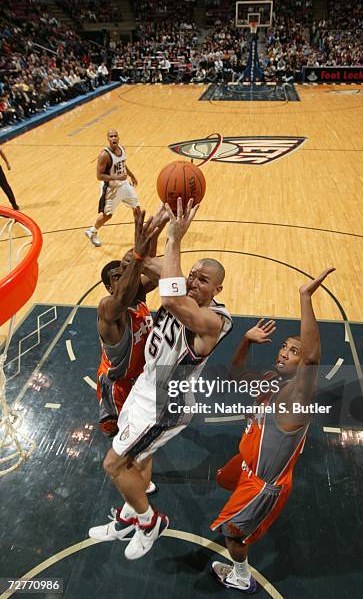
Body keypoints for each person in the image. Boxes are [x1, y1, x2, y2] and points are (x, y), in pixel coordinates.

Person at [89, 198, 233, 560]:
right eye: (193, 275)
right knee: (138, 458)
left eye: (204, 280)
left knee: (113, 463)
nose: (194, 281)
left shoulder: (215, 320)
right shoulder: (178, 285)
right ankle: (126, 517)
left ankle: (149, 521)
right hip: (145, 387)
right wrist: (150, 233)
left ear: (217, 291)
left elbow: (171, 301)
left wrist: (174, 238)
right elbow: (139, 263)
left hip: (165, 401)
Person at [210, 267, 335, 593]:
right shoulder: (272, 380)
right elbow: (235, 376)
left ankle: (241, 576)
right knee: (223, 481)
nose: (285, 352)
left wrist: (305, 297)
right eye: (285, 347)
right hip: (249, 465)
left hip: (263, 484)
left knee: (232, 533)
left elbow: (312, 357)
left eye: (294, 351)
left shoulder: (298, 396)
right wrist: (245, 342)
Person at [96, 204, 168, 437]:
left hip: (142, 381)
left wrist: (158, 229)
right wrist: (137, 255)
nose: (126, 277)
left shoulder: (137, 294)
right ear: (109, 287)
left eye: (126, 273)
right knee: (121, 441)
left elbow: (150, 270)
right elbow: (123, 294)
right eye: (118, 276)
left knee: (144, 434)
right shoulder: (107, 308)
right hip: (119, 389)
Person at [85, 130, 138, 247]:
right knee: (107, 215)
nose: (113, 138)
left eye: (115, 136)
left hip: (124, 185)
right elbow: (99, 176)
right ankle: (92, 231)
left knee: (136, 207)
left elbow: (123, 164)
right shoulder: (104, 155)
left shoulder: (122, 149)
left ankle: (139, 234)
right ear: (108, 139)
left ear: (118, 138)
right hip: (111, 189)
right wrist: (117, 177)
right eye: (111, 136)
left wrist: (132, 175)